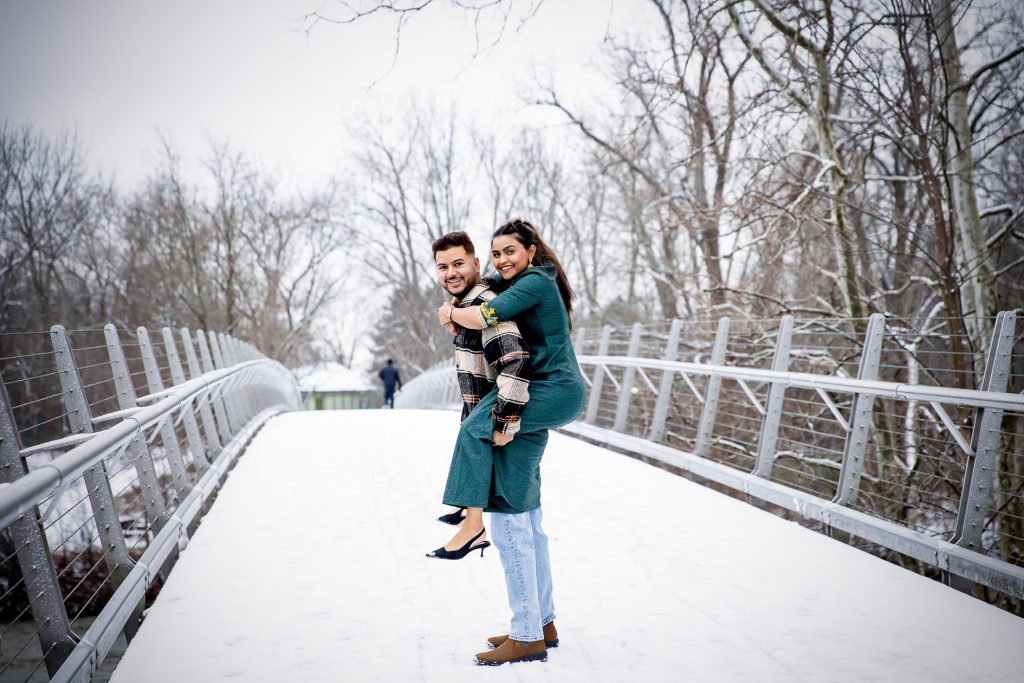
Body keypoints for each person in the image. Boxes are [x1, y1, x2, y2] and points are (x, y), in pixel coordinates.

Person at [437, 218, 586, 666]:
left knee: (475, 433)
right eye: (496, 254)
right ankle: (540, 623)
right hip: (547, 391)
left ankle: (472, 523)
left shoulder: (535, 281)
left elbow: (486, 315)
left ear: (531, 251)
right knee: (527, 517)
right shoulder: (514, 283)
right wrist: (456, 306)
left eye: (510, 252)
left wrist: (449, 313)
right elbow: (483, 297)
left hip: (551, 389)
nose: (502, 260)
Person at [425, 231, 532, 556]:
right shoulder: (465, 305)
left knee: (513, 528)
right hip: (495, 404)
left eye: (458, 264)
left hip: (509, 408)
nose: (451, 273)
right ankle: (468, 513)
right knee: (520, 526)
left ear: (475, 263)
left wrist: (504, 423)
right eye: (443, 267)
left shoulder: (482, 304)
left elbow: (515, 361)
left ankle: (473, 526)